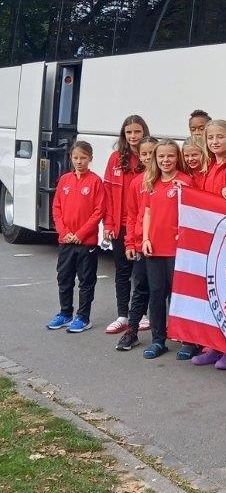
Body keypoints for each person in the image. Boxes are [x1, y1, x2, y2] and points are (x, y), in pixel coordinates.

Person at [191, 119, 226, 369]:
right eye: (210, 138)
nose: (214, 142)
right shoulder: (209, 167)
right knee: (212, 294)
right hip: (209, 238)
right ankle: (213, 345)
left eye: (220, 137)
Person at [46, 141, 107, 333]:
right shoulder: (64, 180)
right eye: (76, 158)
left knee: (86, 281)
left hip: (86, 242)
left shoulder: (95, 181)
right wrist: (64, 232)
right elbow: (56, 208)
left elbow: (99, 211)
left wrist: (81, 234)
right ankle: (65, 313)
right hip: (66, 241)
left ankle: (83, 317)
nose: (79, 161)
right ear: (70, 158)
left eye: (83, 158)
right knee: (64, 278)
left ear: (90, 159)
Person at [140, 139, 192, 359]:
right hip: (155, 248)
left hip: (177, 249)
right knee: (156, 295)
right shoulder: (151, 182)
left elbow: (192, 211)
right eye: (161, 156)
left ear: (177, 157)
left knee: (179, 296)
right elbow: (147, 212)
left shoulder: (185, 181)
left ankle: (188, 341)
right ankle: (158, 340)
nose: (165, 160)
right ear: (155, 158)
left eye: (170, 155)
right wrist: (145, 239)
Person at [103, 114, 150, 335]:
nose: (133, 136)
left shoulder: (149, 156)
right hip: (120, 225)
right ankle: (122, 314)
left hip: (143, 225)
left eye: (137, 131)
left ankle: (141, 314)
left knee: (142, 273)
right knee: (122, 271)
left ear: (144, 132)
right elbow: (107, 194)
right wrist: (108, 223)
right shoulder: (115, 158)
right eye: (129, 132)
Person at [115, 136, 158, 351]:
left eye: (152, 152)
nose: (148, 157)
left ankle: (164, 334)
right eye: (144, 153)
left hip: (165, 244)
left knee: (163, 291)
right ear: (139, 157)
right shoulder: (136, 182)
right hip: (142, 244)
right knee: (140, 289)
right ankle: (131, 331)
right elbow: (131, 216)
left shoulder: (171, 180)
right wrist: (130, 243)